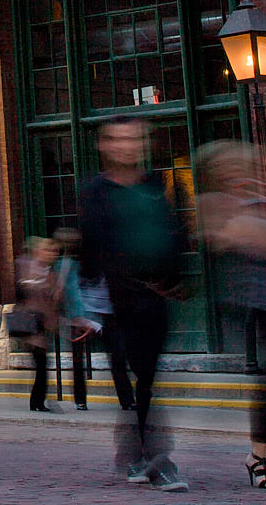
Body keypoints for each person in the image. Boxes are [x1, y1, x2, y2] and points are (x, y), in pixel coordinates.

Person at [78, 118, 189, 492]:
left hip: (153, 296)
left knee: (148, 379)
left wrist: (175, 278)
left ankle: (136, 453)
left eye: (134, 140)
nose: (127, 147)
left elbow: (171, 233)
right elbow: (88, 250)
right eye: (119, 140)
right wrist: (86, 308)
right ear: (105, 146)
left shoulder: (155, 187)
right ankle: (157, 460)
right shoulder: (95, 192)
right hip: (115, 301)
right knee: (131, 377)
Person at [199, 139, 266, 492]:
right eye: (229, 167)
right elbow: (222, 238)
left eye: (241, 166)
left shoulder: (257, 200)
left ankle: (257, 457)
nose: (236, 173)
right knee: (256, 375)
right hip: (236, 301)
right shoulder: (212, 202)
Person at [13, 235, 62, 411]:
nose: (52, 254)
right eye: (49, 250)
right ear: (39, 251)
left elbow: (53, 299)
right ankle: (37, 402)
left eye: (55, 251)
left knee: (42, 364)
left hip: (43, 324)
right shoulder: (27, 266)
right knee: (41, 364)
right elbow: (24, 291)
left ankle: (37, 401)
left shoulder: (49, 271)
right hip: (32, 323)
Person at [52, 227, 94, 411]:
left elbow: (61, 291)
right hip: (80, 315)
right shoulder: (67, 264)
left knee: (78, 360)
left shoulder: (65, 264)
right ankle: (80, 398)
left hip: (77, 315)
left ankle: (80, 399)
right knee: (78, 360)